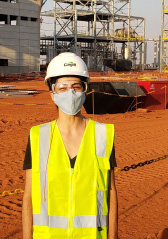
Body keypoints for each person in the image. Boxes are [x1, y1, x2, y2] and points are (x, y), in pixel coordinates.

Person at [22, 52, 118, 239]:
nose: (70, 93)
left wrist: (113, 236)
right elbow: (28, 196)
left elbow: (111, 191)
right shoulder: (37, 136)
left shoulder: (103, 134)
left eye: (76, 86)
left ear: (85, 90)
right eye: (62, 88)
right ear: (52, 93)